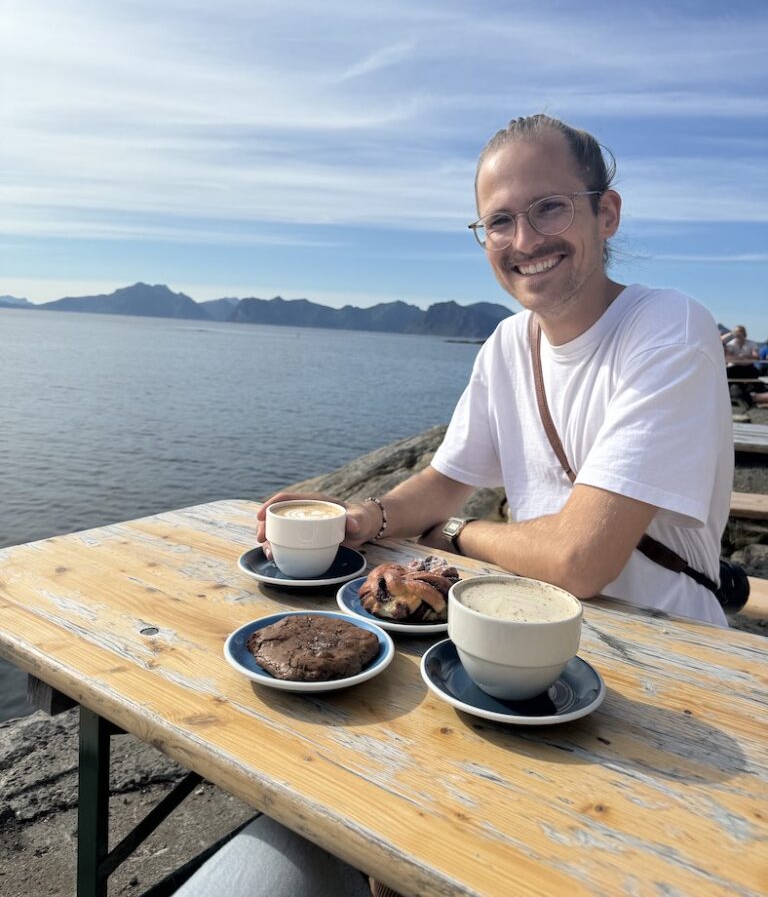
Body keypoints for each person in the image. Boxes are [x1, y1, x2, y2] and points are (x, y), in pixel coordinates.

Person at [176, 115, 733, 897]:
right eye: (499, 220)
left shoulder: (666, 327)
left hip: (668, 688)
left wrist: (461, 533)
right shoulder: (509, 345)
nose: (523, 237)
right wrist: (357, 519)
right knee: (340, 819)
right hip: (501, 664)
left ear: (605, 213)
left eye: (549, 208)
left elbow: (581, 560)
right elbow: (442, 480)